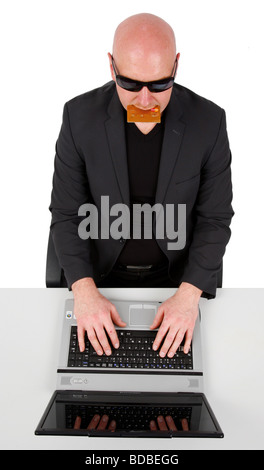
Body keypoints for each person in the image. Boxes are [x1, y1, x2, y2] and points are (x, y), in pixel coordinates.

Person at [49, 13, 234, 359]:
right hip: (100, 281)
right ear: (111, 66)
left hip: (175, 284)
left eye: (160, 84)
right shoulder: (78, 118)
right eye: (131, 84)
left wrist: (189, 295)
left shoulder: (209, 123)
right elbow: (66, 213)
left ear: (176, 66)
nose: (145, 100)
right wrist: (85, 292)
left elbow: (214, 218)